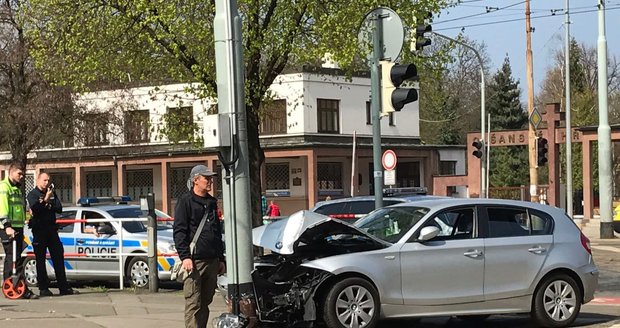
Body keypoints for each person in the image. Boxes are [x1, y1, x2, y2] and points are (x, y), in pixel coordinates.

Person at [173, 165, 225, 328]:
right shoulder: (185, 201)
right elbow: (179, 231)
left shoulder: (211, 202)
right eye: (206, 178)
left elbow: (216, 232)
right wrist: (185, 257)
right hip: (194, 261)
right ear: (196, 180)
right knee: (193, 302)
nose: (210, 181)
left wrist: (221, 258)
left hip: (212, 260)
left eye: (211, 178)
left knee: (205, 302)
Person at [26, 172, 76, 297]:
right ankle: (43, 288)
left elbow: (59, 208)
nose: (46, 183)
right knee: (40, 260)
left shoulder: (51, 192)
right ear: (38, 180)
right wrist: (46, 201)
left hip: (52, 230)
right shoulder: (32, 194)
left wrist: (48, 202)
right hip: (39, 230)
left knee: (58, 257)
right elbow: (36, 209)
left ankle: (63, 287)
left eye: (48, 180)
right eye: (44, 180)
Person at [0, 162, 38, 299]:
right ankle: (20, 289)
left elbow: (18, 207)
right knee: (14, 258)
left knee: (12, 258)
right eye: (19, 174)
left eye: (22, 174)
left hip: (17, 227)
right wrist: (7, 226)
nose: (22, 176)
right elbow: (2, 208)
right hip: (8, 228)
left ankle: (9, 287)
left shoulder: (16, 188)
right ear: (11, 172)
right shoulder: (4, 187)